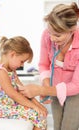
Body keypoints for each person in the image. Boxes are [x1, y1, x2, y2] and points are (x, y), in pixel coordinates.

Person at [20, 2, 79, 130]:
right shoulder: (47, 35)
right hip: (54, 88)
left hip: (76, 92)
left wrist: (41, 90)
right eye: (50, 32)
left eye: (57, 35)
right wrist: (46, 85)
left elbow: (76, 86)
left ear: (72, 30)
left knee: (69, 127)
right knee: (57, 126)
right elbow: (44, 64)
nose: (51, 38)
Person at [0, 36, 48, 130]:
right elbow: (14, 94)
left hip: (10, 105)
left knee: (41, 113)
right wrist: (34, 107)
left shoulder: (11, 70)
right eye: (22, 61)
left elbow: (23, 90)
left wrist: (38, 105)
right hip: (0, 108)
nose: (22, 65)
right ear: (12, 54)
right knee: (36, 115)